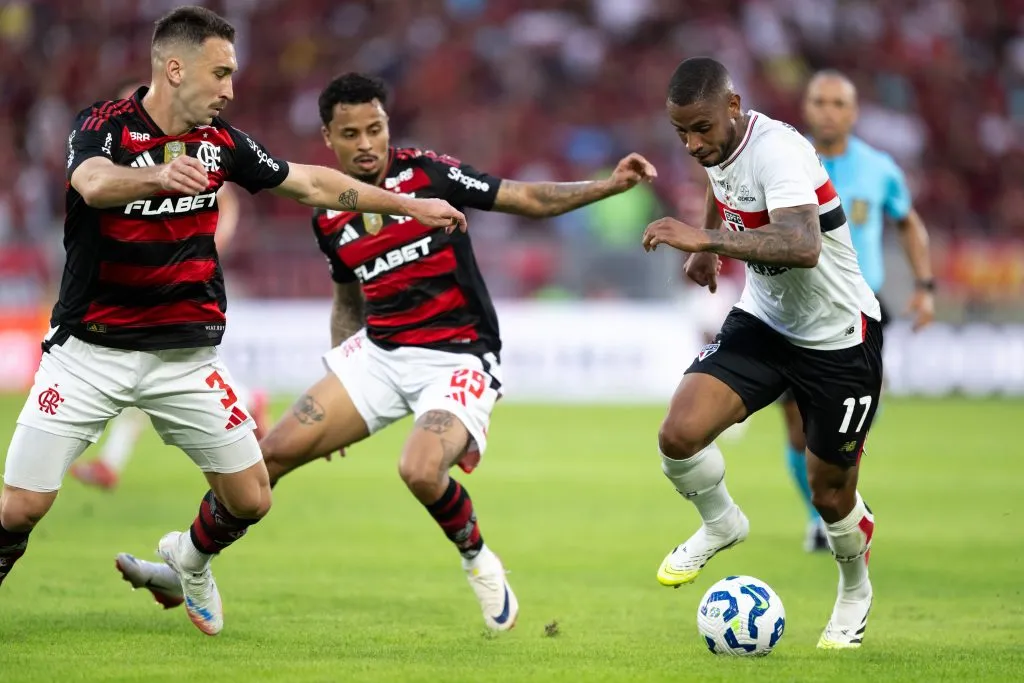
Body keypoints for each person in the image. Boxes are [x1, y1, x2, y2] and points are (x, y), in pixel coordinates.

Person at [115, 71, 657, 631]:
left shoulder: (428, 174)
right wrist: (337, 377)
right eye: (351, 133)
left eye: (375, 129)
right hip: (378, 356)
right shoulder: (328, 210)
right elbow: (348, 300)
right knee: (265, 458)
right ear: (329, 137)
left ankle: (480, 560)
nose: (367, 143)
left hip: (458, 357)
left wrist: (608, 187)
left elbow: (524, 198)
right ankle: (189, 566)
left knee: (420, 469)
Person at [0, 6, 466, 638]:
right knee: (21, 507)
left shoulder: (223, 145)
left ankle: (191, 565)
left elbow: (309, 183)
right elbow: (91, 183)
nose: (230, 88)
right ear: (174, 67)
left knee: (251, 497)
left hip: (186, 361)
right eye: (220, 73)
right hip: (91, 353)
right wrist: (157, 176)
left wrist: (409, 204)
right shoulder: (106, 127)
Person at [642, 57, 881, 649]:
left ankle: (855, 590)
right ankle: (722, 522)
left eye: (701, 128)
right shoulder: (720, 148)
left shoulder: (779, 151)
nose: (693, 144)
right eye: (681, 133)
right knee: (678, 435)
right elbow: (719, 181)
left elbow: (802, 246)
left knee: (830, 494)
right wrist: (709, 250)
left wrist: (703, 238)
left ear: (733, 105)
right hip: (767, 322)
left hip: (837, 339)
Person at [782, 70, 934, 551]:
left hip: (860, 305)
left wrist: (925, 285)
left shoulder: (879, 168)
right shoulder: (785, 160)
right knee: (796, 425)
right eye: (819, 101)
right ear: (806, 108)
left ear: (853, 112)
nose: (827, 111)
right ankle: (818, 517)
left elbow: (909, 223)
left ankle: (837, 493)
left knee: (846, 423)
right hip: (798, 306)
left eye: (837, 103)